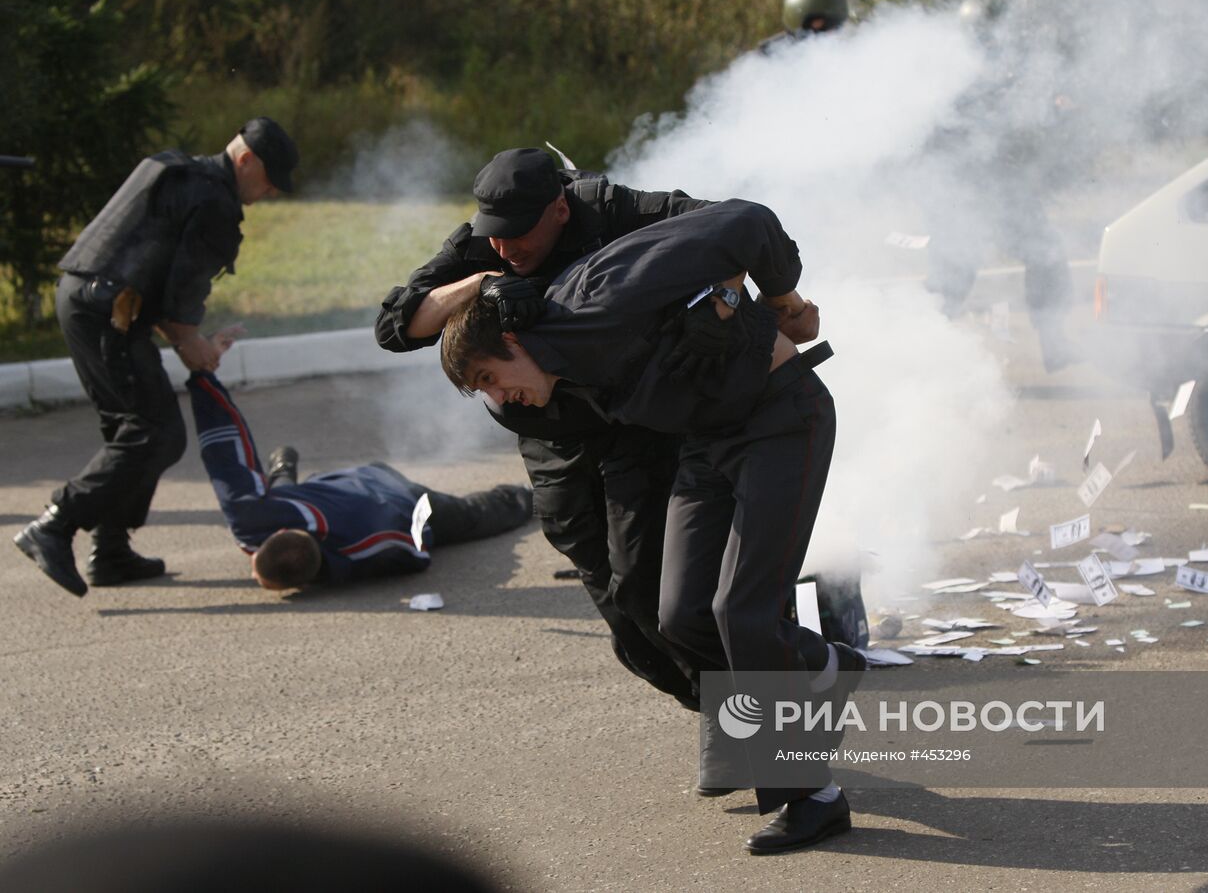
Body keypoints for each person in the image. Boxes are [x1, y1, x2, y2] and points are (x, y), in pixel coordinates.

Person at [438, 200, 857, 856]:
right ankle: (824, 665)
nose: (499, 396)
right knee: (682, 615)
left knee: (741, 612)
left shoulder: (599, 300)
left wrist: (785, 301)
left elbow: (745, 223)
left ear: (514, 342)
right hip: (707, 443)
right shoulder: (555, 368)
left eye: (492, 377)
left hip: (782, 419)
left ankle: (814, 798)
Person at [376, 148, 720, 717]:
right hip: (551, 437)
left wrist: (730, 302)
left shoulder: (612, 210)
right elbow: (394, 327)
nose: (507, 248)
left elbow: (720, 227)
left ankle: (742, 718)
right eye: (496, 237)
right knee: (619, 611)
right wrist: (480, 284)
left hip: (633, 421)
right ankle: (713, 705)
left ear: (559, 208)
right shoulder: (482, 248)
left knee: (644, 583)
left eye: (518, 235)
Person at [13, 118, 299, 598]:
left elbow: (160, 280)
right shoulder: (214, 202)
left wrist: (193, 339)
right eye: (269, 180)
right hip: (109, 313)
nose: (269, 192)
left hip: (84, 301)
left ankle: (110, 550)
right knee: (156, 431)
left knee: (130, 428)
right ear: (246, 159)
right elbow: (182, 295)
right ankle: (55, 524)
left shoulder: (175, 168)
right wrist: (196, 346)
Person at [188, 370, 532, 589]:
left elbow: (416, 551)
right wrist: (202, 375)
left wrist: (427, 532)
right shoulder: (263, 521)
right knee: (281, 497)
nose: (251, 568)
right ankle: (283, 466)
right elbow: (225, 461)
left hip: (404, 500)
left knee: (472, 515)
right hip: (349, 483)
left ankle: (534, 498)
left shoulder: (367, 547)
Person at [925, 0, 1079, 371]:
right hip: (963, 193)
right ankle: (919, 354)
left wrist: (1052, 108)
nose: (997, 42)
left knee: (1048, 256)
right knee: (953, 279)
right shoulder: (950, 74)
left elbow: (1024, 123)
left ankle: (1055, 343)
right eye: (988, 35)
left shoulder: (1008, 68)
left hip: (1005, 187)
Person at [758, 0, 850, 54]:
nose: (832, 32)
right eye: (825, 24)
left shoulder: (837, 53)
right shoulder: (773, 53)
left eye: (837, 26)